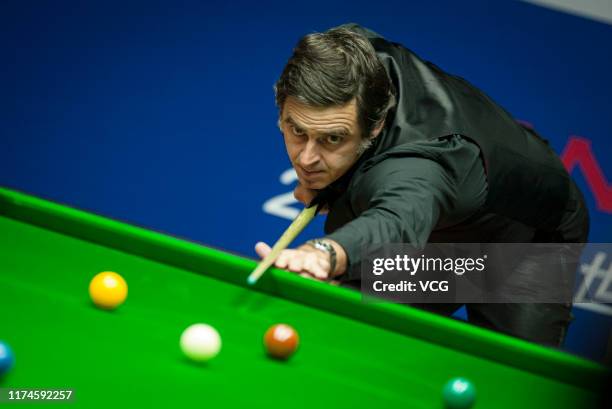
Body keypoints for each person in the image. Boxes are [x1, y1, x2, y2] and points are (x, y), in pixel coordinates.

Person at [255, 23, 589, 347]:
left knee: (516, 381)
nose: (307, 159)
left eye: (332, 138)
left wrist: (326, 251)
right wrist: (334, 180)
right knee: (350, 335)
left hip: (523, 240)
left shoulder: (420, 168)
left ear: (375, 127)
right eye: (297, 130)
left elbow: (396, 222)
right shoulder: (349, 61)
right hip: (435, 229)